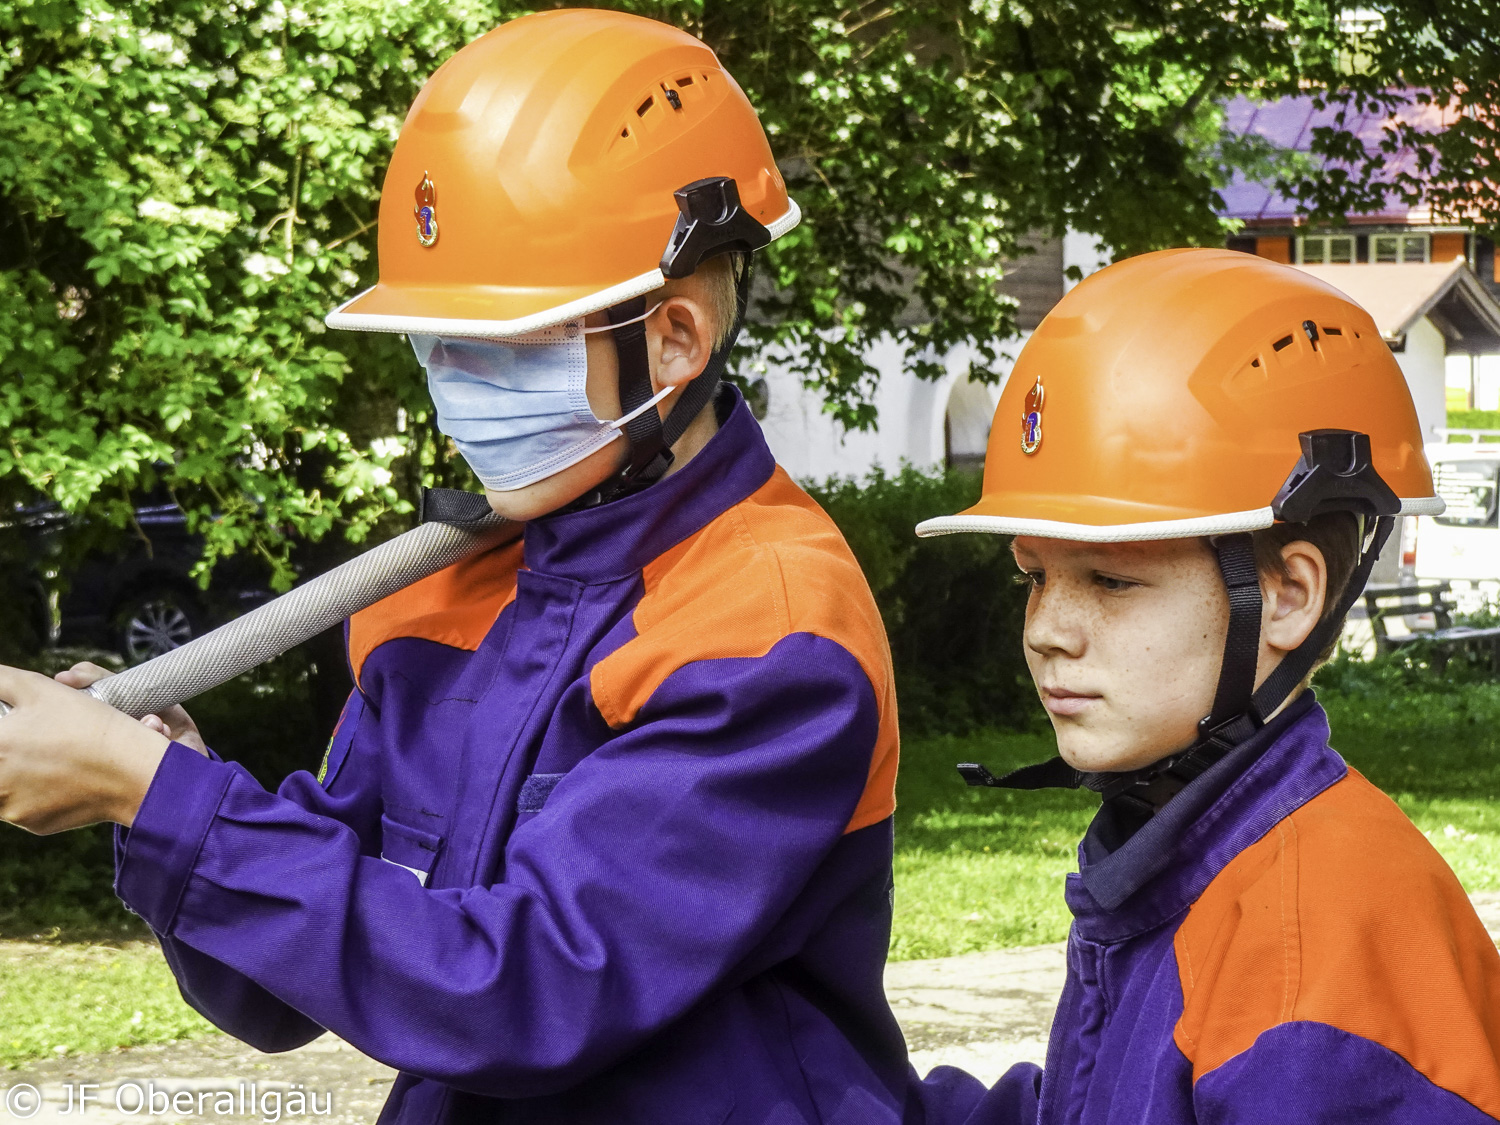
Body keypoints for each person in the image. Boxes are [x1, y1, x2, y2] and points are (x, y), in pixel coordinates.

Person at [0, 11, 966, 1123]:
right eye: (435, 343)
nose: (456, 389)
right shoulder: (439, 586)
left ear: (677, 339)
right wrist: (153, 784)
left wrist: (158, 796)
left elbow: (523, 993)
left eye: (505, 346)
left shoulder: (769, 632)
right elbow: (284, 989)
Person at [917, 248, 1500, 1123]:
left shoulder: (1309, 984)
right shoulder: (1194, 847)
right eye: (1033, 575)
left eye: (1111, 582)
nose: (1045, 629)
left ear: (1288, 596)